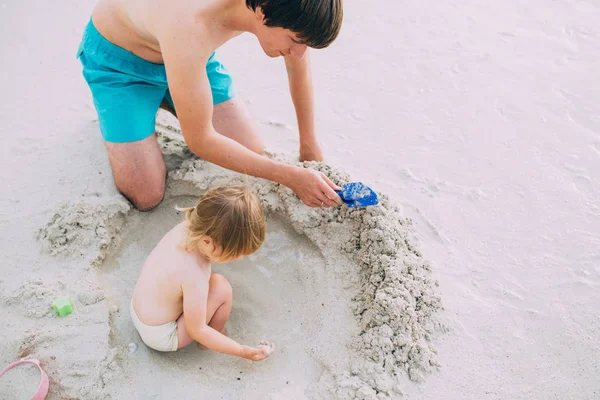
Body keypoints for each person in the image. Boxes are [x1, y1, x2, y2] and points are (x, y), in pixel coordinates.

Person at [76, 0, 344, 211]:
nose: (299, 52)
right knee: (146, 194)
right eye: (296, 41)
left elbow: (298, 69)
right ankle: (127, 110)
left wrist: (308, 145)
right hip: (120, 65)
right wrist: (291, 177)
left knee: (250, 148)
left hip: (190, 57)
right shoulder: (191, 23)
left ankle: (178, 98)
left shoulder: (283, 10)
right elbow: (201, 140)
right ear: (262, 13)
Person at [130, 185, 271, 360]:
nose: (238, 259)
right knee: (222, 288)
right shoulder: (194, 273)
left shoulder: (188, 227)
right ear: (207, 242)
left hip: (138, 310)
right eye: (234, 255)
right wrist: (241, 350)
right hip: (161, 336)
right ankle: (210, 341)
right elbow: (197, 330)